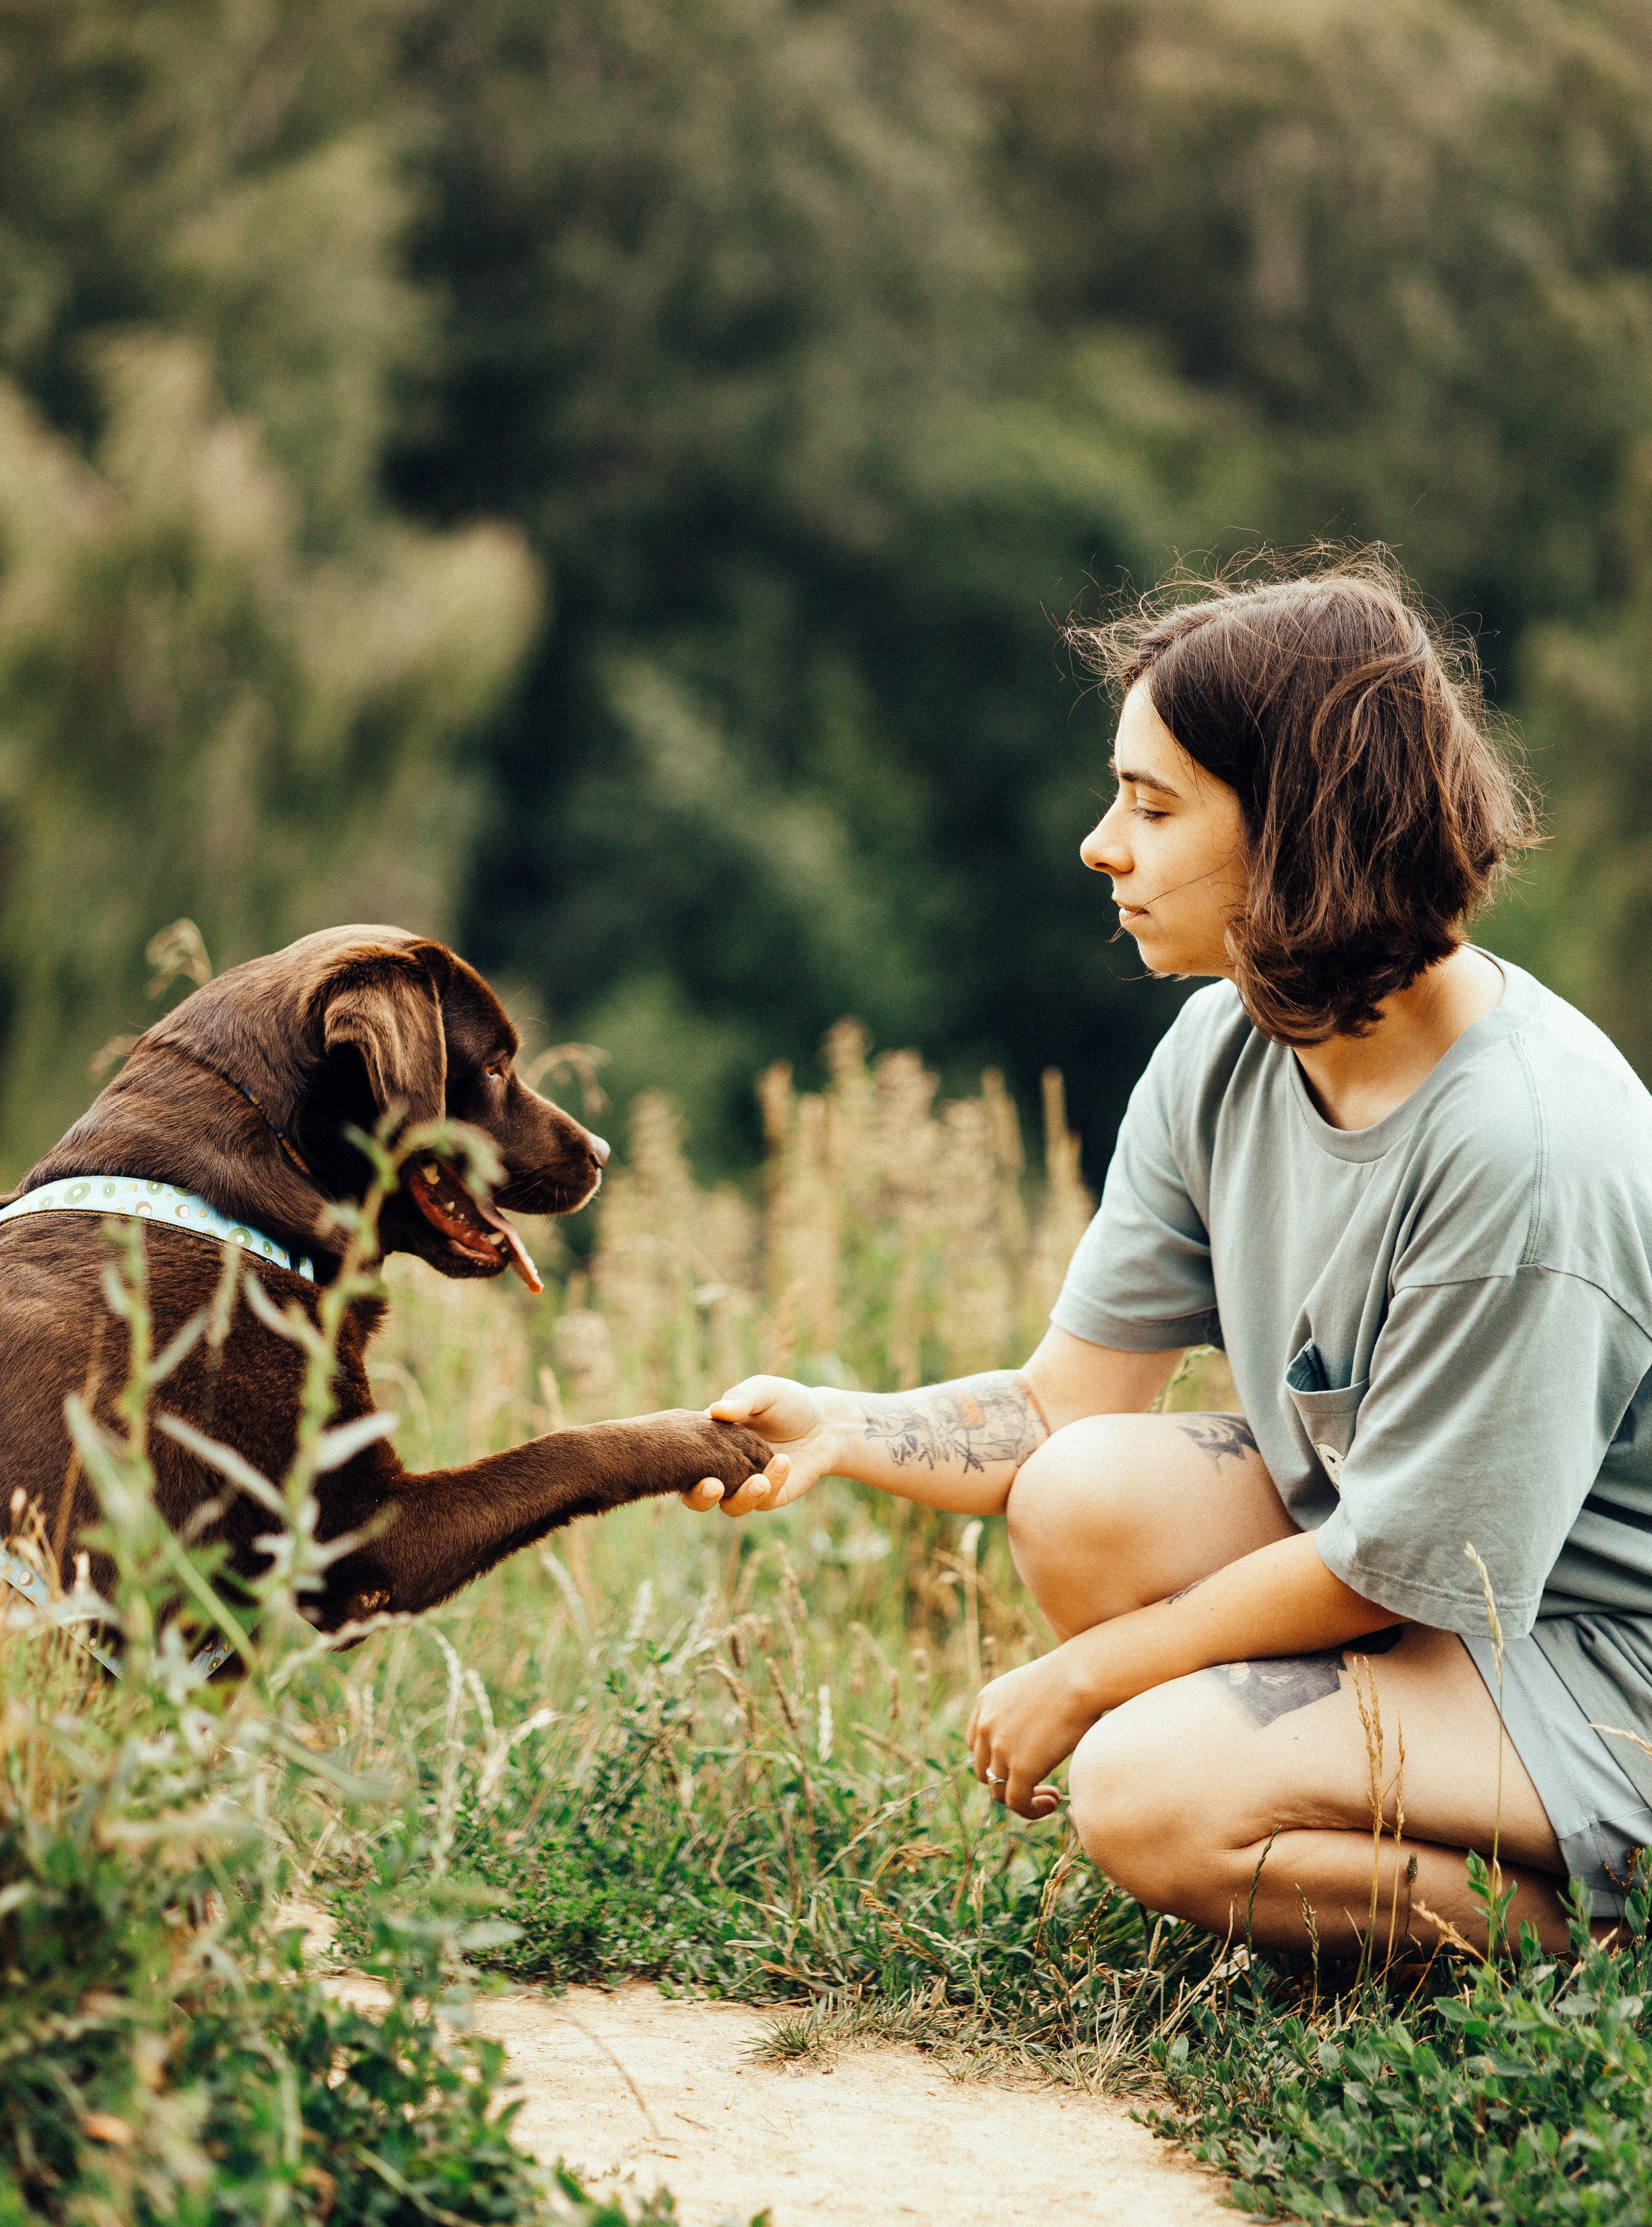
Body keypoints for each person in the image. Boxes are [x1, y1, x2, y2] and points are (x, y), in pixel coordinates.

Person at [689, 557, 1652, 1956]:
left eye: (1149, 806)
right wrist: (836, 1427)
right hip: (1431, 1594)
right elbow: (1062, 1408)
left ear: (1301, 833)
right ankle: (1319, 1812)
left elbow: (1387, 1568)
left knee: (1140, 1792)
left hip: (1594, 1657)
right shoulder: (1227, 1042)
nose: (1099, 844)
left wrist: (1090, 1681)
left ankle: (1583, 1934)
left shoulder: (1525, 1149)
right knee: (1082, 1494)